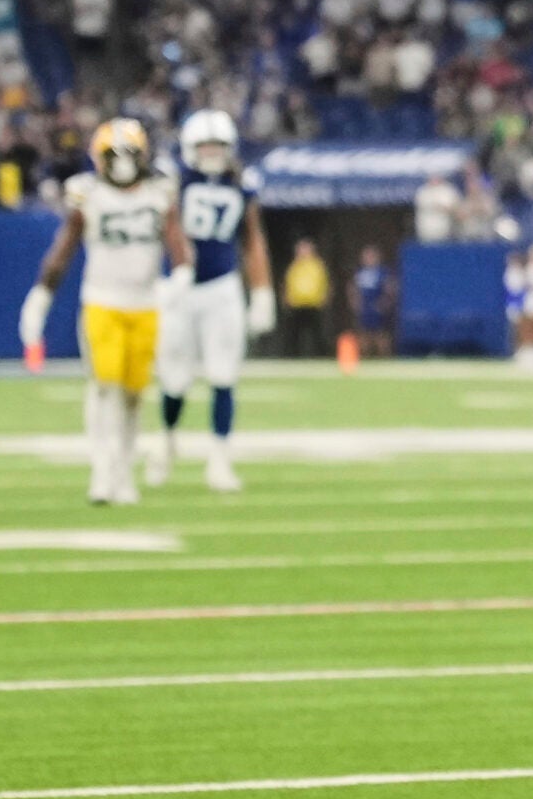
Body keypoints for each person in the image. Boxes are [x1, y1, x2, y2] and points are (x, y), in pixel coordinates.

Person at [19, 120, 193, 504]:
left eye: (127, 153)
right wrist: (41, 297)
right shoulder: (88, 195)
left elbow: (177, 241)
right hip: (102, 301)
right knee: (103, 386)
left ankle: (124, 472)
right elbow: (63, 249)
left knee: (132, 394)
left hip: (146, 303)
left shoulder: (159, 193)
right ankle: (102, 470)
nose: (120, 162)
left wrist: (182, 275)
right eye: (112, 155)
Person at [150, 109, 275, 492]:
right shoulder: (174, 179)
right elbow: (163, 227)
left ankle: (219, 459)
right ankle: (168, 440)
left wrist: (262, 292)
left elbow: (252, 238)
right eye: (204, 146)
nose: (211, 153)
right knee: (174, 380)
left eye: (218, 146)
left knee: (224, 376)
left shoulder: (242, 183)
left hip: (222, 287)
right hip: (181, 288)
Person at [280, 238, 330, 359]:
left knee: (317, 333)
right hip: (297, 304)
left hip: (313, 304)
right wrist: (285, 298)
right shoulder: (294, 266)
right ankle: (292, 356)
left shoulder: (317, 265)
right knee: (294, 334)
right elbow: (287, 283)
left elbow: (325, 283)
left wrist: (325, 297)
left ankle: (321, 356)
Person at [351, 246, 396, 358]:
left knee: (380, 333)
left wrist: (385, 302)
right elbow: (353, 288)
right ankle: (365, 357)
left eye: (371, 256)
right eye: (366, 256)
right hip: (365, 307)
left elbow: (390, 287)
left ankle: (384, 358)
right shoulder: (360, 273)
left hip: (377, 306)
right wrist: (355, 301)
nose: (368, 259)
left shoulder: (383, 272)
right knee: (363, 333)